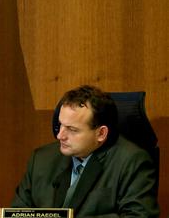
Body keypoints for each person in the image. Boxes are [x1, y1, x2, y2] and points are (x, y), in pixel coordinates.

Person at [11, 85, 159, 217]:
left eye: (72, 129)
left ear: (101, 133)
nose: (60, 135)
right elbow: (18, 212)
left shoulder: (132, 162)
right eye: (60, 125)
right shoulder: (41, 159)